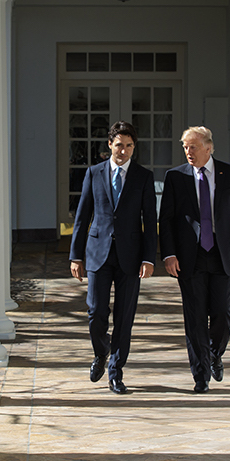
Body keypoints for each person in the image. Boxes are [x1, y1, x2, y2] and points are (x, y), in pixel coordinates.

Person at [159, 126, 230, 393]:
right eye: (185, 147)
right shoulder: (175, 177)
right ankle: (200, 375)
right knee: (195, 316)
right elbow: (165, 219)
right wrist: (169, 254)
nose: (189, 152)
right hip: (191, 257)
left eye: (194, 147)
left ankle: (215, 354)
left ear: (209, 148)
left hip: (223, 254)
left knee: (223, 313)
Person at [70, 121, 157, 394]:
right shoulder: (94, 173)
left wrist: (149, 258)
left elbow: (150, 220)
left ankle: (116, 372)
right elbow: (82, 217)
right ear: (110, 145)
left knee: (124, 316)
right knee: (96, 312)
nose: (124, 151)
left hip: (130, 257)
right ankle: (101, 351)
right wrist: (76, 255)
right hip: (98, 254)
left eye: (129, 146)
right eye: (119, 145)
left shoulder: (143, 176)